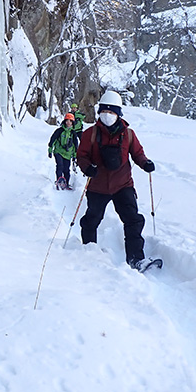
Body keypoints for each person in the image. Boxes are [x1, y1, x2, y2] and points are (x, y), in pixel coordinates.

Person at [75, 90, 156, 270]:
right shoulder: (90, 134)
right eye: (104, 111)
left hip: (123, 185)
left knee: (133, 220)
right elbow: (82, 156)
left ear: (118, 114)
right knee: (91, 220)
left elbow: (137, 154)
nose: (107, 115)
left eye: (111, 112)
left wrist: (145, 163)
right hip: (97, 186)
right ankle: (89, 252)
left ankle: (136, 259)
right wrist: (87, 167)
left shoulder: (128, 134)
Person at [48, 112, 78, 190]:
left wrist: (75, 156)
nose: (68, 122)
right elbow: (53, 140)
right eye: (67, 120)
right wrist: (50, 150)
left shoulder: (73, 133)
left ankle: (66, 183)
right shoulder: (59, 131)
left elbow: (75, 145)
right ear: (64, 121)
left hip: (68, 154)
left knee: (66, 169)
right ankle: (59, 181)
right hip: (58, 151)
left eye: (70, 121)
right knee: (60, 165)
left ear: (72, 122)